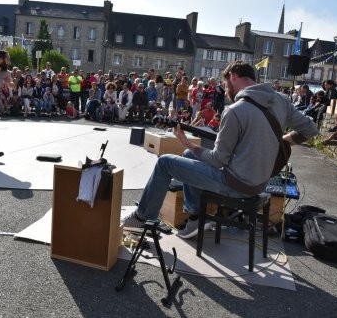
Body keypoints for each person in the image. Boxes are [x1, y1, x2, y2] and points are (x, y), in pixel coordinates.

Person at [122, 61, 319, 238]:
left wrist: (188, 143)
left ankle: (142, 218)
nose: (225, 92)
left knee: (165, 163)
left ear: (233, 76)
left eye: (225, 85)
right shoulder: (281, 100)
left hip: (236, 184)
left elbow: (218, 160)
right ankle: (196, 216)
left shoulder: (235, 110)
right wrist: (283, 140)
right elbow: (311, 129)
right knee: (190, 156)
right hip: (260, 182)